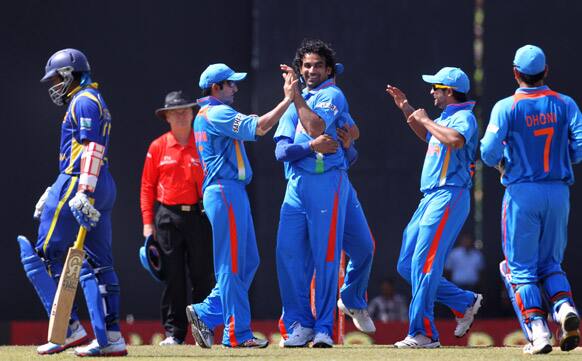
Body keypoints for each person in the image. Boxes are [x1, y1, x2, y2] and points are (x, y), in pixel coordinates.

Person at [19, 48, 127, 356]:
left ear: (70, 74)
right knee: (97, 263)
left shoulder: (82, 100)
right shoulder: (91, 100)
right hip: (98, 180)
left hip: (80, 179)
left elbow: (91, 146)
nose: (53, 85)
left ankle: (67, 328)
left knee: (43, 253)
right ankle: (111, 337)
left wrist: (82, 189)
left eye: (56, 77)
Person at [185, 63, 297, 348]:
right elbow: (259, 127)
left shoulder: (209, 113)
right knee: (232, 264)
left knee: (247, 261)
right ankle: (236, 333)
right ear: (215, 87)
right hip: (225, 191)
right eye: (230, 83)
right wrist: (288, 99)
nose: (235, 88)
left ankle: (207, 312)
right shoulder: (217, 112)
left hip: (228, 191)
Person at [480, 44, 582, 354]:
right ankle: (564, 308)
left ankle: (538, 333)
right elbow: (579, 147)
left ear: (515, 73)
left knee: (519, 268)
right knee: (551, 264)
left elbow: (487, 152)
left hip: (523, 192)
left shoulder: (506, 107)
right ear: (546, 71)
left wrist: (504, 164)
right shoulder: (565, 104)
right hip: (558, 192)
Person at [273, 63, 375, 346]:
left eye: (319, 66)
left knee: (352, 250)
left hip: (332, 183)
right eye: (306, 66)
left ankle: (342, 309)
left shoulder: (334, 97)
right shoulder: (295, 105)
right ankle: (303, 324)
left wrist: (348, 145)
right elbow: (281, 151)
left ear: (329, 71)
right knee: (292, 257)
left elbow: (342, 148)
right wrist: (311, 146)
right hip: (300, 185)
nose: (312, 71)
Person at [386, 67, 483, 348]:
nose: (431, 92)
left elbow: (454, 140)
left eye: (435, 87)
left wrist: (426, 119)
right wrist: (406, 108)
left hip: (449, 195)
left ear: (449, 91)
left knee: (425, 264)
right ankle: (464, 302)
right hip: (430, 197)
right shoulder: (444, 118)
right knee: (407, 265)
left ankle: (424, 333)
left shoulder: (463, 117)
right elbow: (429, 136)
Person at [140, 91, 214, 346]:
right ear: (167, 117)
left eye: (186, 110)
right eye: (176, 112)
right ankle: (175, 334)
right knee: (173, 278)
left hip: (199, 215)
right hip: (167, 217)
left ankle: (204, 331)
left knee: (203, 275)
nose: (182, 115)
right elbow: (147, 187)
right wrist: (148, 224)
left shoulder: (203, 142)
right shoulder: (158, 146)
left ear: (194, 113)